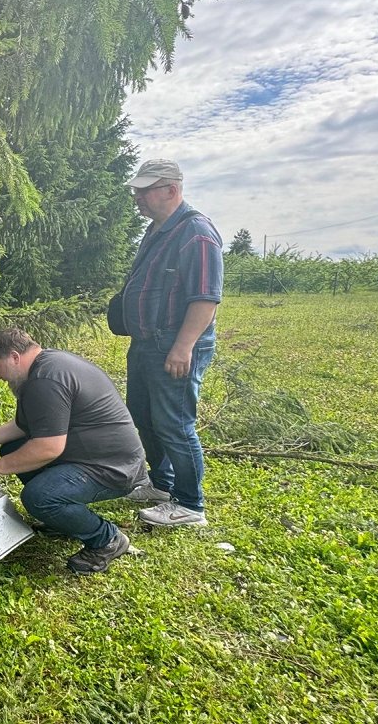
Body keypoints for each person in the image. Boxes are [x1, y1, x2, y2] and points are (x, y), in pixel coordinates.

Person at [0, 328, 146, 574]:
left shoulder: (45, 381)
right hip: (96, 456)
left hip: (113, 468)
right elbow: (28, 425)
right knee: (14, 447)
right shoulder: (45, 367)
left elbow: (49, 447)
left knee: (39, 497)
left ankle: (107, 539)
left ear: (15, 357)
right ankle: (62, 518)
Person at [117, 159, 223, 527]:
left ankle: (191, 505)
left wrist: (183, 348)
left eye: (144, 190)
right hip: (146, 343)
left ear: (171, 190)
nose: (137, 198)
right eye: (136, 190)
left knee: (175, 423)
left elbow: (205, 299)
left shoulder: (196, 233)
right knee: (144, 417)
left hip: (173, 346)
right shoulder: (158, 230)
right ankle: (162, 485)